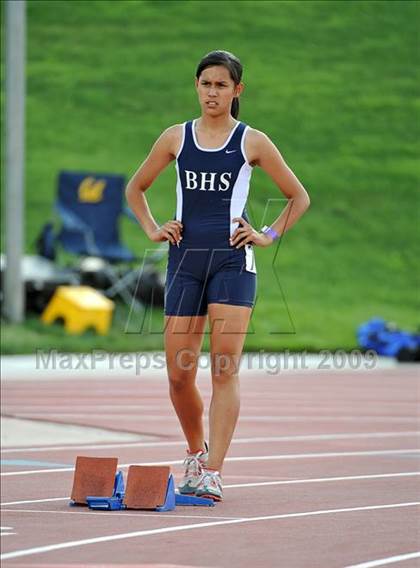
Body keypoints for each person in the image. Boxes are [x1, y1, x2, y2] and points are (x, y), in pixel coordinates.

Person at [126, 50, 310, 501]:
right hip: (184, 263)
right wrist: (153, 228)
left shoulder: (252, 142)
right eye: (206, 84)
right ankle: (194, 450)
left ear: (237, 91)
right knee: (178, 374)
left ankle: (213, 470)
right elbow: (136, 187)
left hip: (231, 264)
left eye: (221, 85)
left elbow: (298, 197)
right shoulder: (176, 137)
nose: (213, 92)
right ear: (196, 86)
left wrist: (266, 235)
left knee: (224, 368)